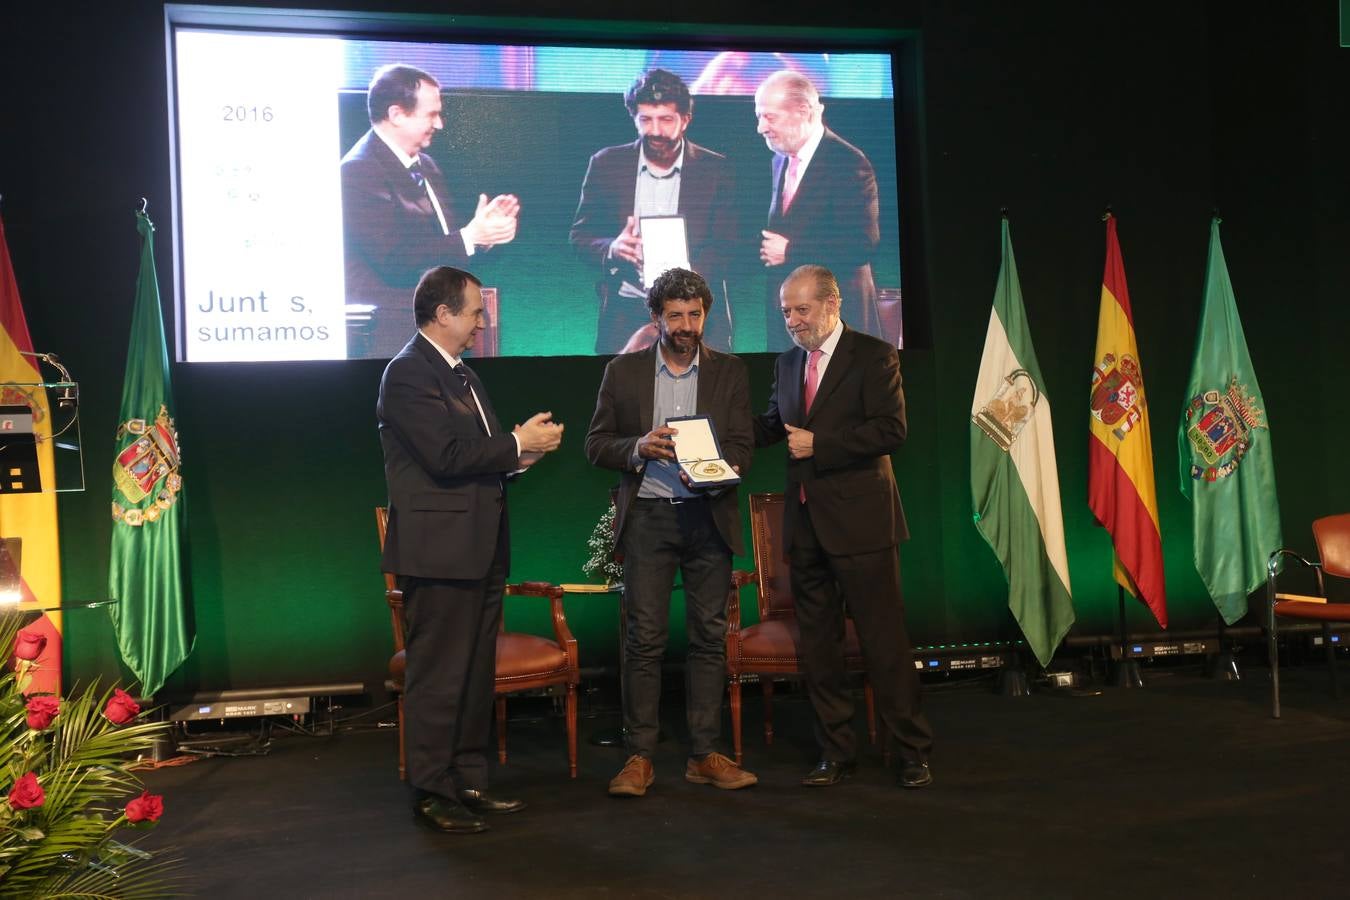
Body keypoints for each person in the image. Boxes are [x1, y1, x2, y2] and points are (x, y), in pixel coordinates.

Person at [377, 266, 563, 833]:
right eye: (475, 311)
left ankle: (468, 780)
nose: (483, 322)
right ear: (443, 315)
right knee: (439, 674)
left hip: (479, 548)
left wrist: (522, 456)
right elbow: (445, 458)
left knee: (475, 672)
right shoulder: (409, 374)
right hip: (440, 553)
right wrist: (515, 442)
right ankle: (432, 790)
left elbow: (479, 457)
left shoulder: (462, 375)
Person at [753, 264, 933, 789]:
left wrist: (820, 445)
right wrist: (711, 437)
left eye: (801, 309)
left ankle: (910, 751)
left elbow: (891, 430)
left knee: (884, 642)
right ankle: (837, 751)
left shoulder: (875, 356)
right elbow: (771, 424)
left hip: (862, 525)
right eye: (785, 311)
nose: (792, 320)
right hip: (806, 526)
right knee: (821, 647)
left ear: (832, 305)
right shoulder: (788, 364)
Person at [584, 267, 756, 797]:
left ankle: (704, 754)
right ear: (655, 316)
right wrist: (638, 447)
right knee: (645, 639)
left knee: (708, 638)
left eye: (695, 314)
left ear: (705, 315)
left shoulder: (729, 372)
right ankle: (639, 756)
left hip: (709, 517)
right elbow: (596, 445)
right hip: (650, 519)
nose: (686, 325)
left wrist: (714, 471)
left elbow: (744, 449)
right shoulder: (623, 371)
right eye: (675, 315)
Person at [342, 64, 520, 358]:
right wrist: (468, 237)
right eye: (431, 114)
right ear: (397, 114)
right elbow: (395, 259)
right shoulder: (359, 171)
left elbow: (443, 248)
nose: (440, 124)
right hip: (396, 340)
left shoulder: (427, 166)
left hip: (442, 335)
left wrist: (484, 237)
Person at [570, 69, 738, 354]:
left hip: (695, 314)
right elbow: (580, 235)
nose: (656, 130)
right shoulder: (606, 163)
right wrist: (613, 248)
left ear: (685, 119)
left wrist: (684, 283)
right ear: (633, 117)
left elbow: (727, 247)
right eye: (646, 119)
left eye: (666, 119)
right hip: (625, 313)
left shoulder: (717, 170)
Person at [753, 70, 881, 352]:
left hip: (837, 327)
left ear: (804, 112)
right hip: (790, 331)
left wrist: (791, 250)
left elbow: (862, 243)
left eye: (769, 116)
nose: (761, 127)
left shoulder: (848, 162)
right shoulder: (780, 160)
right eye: (759, 116)